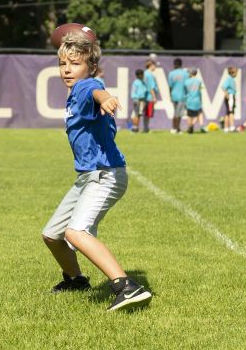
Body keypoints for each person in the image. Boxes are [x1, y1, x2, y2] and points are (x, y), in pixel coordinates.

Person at [40, 31, 153, 312]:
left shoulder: (85, 85)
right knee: (52, 235)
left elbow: (95, 89)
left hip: (105, 174)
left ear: (90, 67)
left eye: (75, 63)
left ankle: (126, 286)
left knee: (76, 232)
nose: (67, 69)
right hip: (88, 176)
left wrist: (105, 98)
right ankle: (76, 280)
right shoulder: (77, 90)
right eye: (63, 63)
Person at [166, 58, 188, 135]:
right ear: (181, 64)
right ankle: (176, 128)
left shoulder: (171, 74)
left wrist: (170, 94)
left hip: (174, 95)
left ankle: (175, 128)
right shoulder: (185, 74)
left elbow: (170, 86)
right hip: (182, 95)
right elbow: (187, 85)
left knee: (176, 112)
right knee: (178, 113)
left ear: (174, 64)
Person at [183, 68, 205, 133]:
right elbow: (201, 90)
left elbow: (185, 91)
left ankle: (189, 127)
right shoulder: (199, 81)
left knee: (189, 115)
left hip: (189, 100)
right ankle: (192, 125)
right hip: (197, 100)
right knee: (198, 114)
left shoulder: (186, 81)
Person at [142, 59, 160, 133]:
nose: (155, 67)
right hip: (149, 97)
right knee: (148, 113)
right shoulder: (150, 74)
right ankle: (146, 128)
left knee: (146, 113)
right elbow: (151, 87)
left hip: (145, 96)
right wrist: (154, 97)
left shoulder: (145, 73)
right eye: (154, 65)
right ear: (151, 65)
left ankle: (146, 127)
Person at [221, 66, 239, 132]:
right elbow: (223, 87)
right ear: (233, 72)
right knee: (231, 112)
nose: (237, 74)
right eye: (236, 72)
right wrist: (226, 94)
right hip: (230, 96)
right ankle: (231, 127)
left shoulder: (231, 79)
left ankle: (226, 128)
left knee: (228, 112)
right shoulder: (229, 79)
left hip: (231, 96)